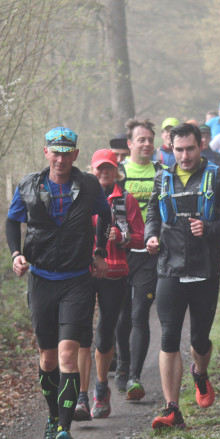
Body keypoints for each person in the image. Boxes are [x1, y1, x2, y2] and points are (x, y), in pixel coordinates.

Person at [6, 127, 111, 439]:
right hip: (41, 279)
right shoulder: (28, 186)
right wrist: (16, 255)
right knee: (48, 358)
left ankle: (65, 429)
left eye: (67, 152)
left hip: (77, 279)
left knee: (68, 354)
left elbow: (105, 216)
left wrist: (99, 252)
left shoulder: (89, 185)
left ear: (76, 155)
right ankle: (53, 417)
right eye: (56, 151)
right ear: (46, 153)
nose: (61, 158)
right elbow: (12, 222)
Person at [144, 122, 220, 429]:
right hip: (169, 268)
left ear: (200, 146)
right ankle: (172, 409)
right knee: (168, 337)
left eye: (190, 149)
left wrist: (211, 228)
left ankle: (200, 373)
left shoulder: (219, 177)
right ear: (171, 149)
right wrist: (151, 236)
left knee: (200, 340)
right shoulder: (162, 177)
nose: (185, 155)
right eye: (179, 150)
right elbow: (152, 213)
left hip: (205, 269)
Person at [75, 149, 145, 420]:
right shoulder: (80, 197)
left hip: (115, 273)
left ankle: (101, 388)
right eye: (99, 168)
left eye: (109, 168)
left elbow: (140, 238)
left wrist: (123, 237)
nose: (104, 173)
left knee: (105, 333)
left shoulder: (126, 199)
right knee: (82, 334)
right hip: (82, 272)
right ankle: (82, 397)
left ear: (117, 171)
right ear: (91, 170)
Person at [114, 119, 165, 400]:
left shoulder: (162, 172)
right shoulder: (118, 173)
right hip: (121, 253)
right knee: (121, 316)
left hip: (150, 253)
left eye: (150, 139)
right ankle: (122, 365)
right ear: (130, 144)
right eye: (141, 140)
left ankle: (134, 376)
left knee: (140, 314)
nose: (146, 144)